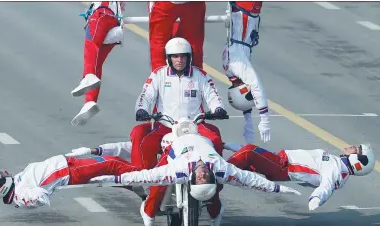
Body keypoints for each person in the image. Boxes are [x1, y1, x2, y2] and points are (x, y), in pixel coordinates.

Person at [90, 132, 301, 226]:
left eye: (199, 179)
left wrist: (110, 177)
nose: (202, 175)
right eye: (205, 178)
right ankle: (214, 212)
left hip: (176, 145)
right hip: (192, 133)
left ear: (193, 179)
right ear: (210, 176)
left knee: (157, 180)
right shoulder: (221, 169)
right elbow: (253, 181)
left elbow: (143, 176)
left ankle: (149, 212)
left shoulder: (179, 169)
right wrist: (282, 190)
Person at [131, 37, 228, 171]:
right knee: (146, 144)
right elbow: (145, 96)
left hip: (195, 126)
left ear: (189, 57)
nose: (179, 60)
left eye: (183, 56)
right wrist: (141, 110)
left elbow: (212, 95)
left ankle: (215, 180)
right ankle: (148, 180)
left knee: (215, 142)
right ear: (168, 58)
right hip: (166, 126)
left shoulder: (200, 75)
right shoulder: (158, 75)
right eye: (175, 56)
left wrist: (218, 108)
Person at [224, 142, 376, 211]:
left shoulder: (337, 170)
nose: (351, 146)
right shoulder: (338, 165)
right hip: (281, 160)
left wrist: (316, 199)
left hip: (283, 166)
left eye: (355, 149)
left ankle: (215, 169)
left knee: (249, 152)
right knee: (246, 153)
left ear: (358, 161)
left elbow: (326, 187)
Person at [0, 152, 138, 209]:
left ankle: (138, 187)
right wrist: (36, 196)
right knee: (112, 163)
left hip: (68, 166)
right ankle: (150, 176)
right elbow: (38, 198)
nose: (4, 172)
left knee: (110, 174)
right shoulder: (20, 194)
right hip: (69, 172)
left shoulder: (16, 184)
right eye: (1, 174)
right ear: (1, 185)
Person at [222, 2, 271, 144]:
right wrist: (248, 120)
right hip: (244, 11)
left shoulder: (237, 65)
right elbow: (243, 97)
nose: (250, 93)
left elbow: (256, 86)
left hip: (246, 10)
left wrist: (264, 119)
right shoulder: (231, 72)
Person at [70, 1, 125, 127]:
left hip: (102, 14)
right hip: (114, 24)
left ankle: (88, 77)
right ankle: (90, 101)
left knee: (90, 47)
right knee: (96, 63)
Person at [148, 1, 205, 71]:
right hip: (193, 4)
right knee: (194, 43)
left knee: (159, 42)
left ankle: (159, 76)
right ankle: (196, 76)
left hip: (165, 4)